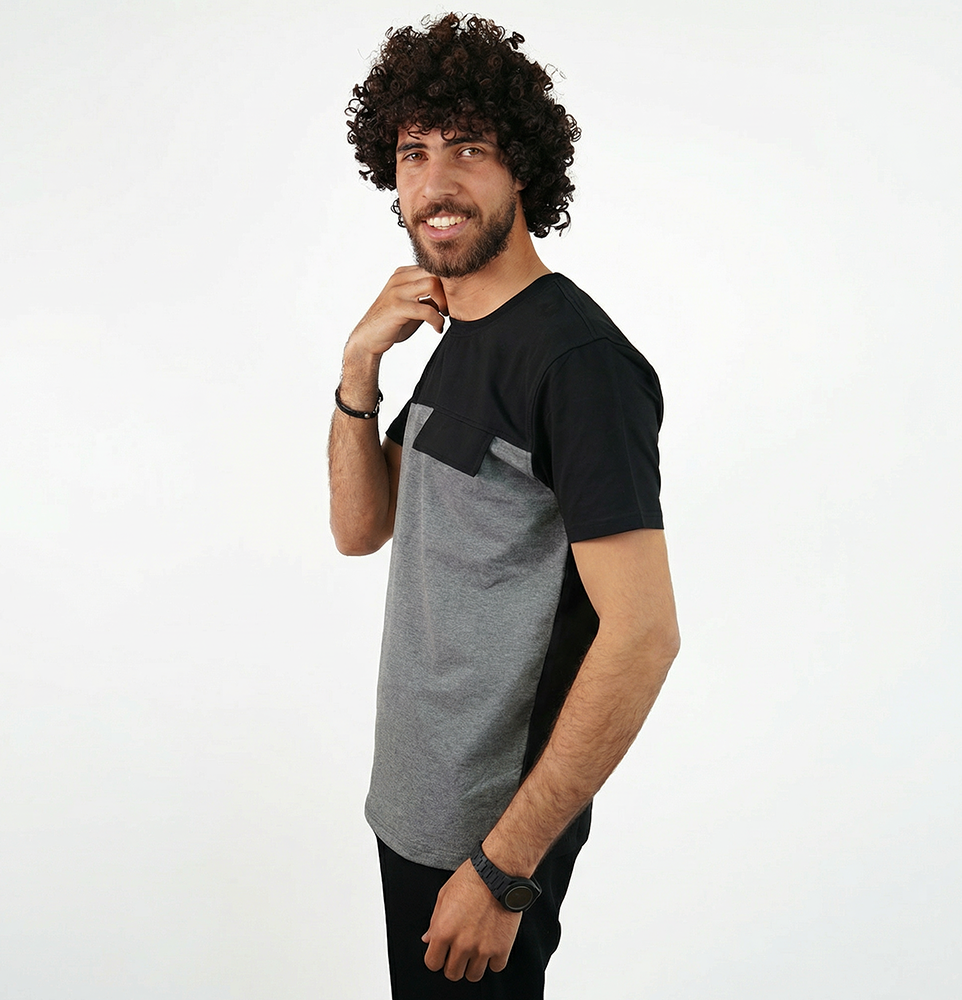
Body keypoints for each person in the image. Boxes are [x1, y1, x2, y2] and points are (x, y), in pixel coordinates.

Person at [328, 14, 680, 999]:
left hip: (487, 844)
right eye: (414, 152)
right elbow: (361, 527)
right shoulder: (459, 335)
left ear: (522, 167)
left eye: (468, 149)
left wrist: (503, 868)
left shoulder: (578, 365)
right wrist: (358, 366)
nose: (435, 182)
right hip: (413, 810)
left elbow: (643, 636)